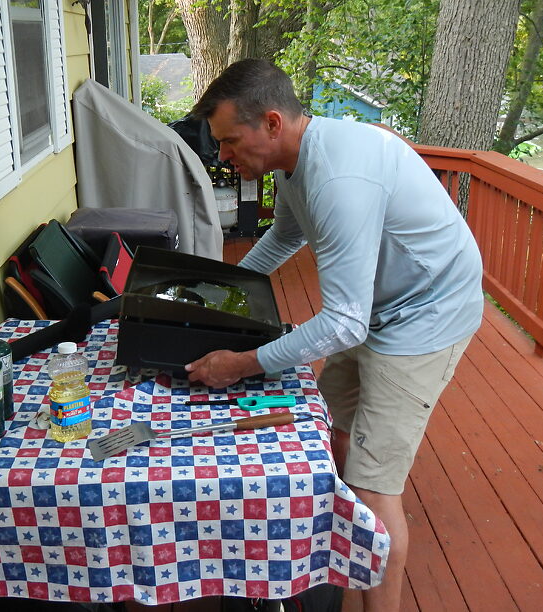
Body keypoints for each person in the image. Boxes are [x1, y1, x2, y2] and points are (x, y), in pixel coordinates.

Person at [184, 59, 484, 612]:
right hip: (373, 305)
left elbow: (341, 322)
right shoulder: (294, 161)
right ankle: (339, 546)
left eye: (228, 142)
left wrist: (242, 361)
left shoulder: (339, 179)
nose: (222, 156)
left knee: (374, 488)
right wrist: (220, 293)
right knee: (330, 430)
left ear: (272, 123)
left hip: (425, 314)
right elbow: (283, 238)